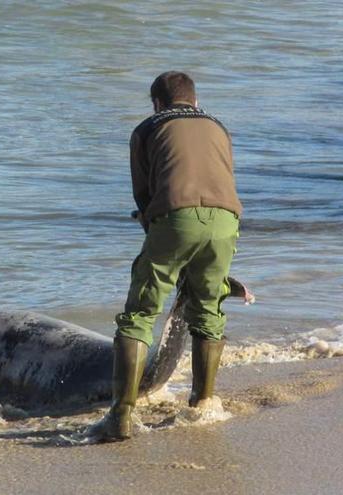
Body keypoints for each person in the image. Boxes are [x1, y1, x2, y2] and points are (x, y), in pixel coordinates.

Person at [101, 71, 243, 441]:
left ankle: (120, 415)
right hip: (227, 220)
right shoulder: (219, 126)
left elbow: (144, 197)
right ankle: (203, 403)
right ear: (195, 101)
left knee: (140, 314)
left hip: (177, 218)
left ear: (157, 103)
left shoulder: (147, 128)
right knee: (209, 311)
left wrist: (154, 230)